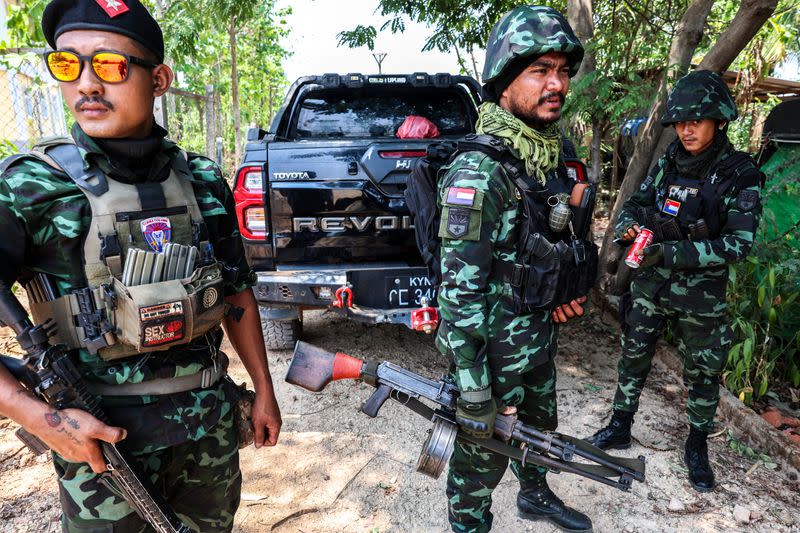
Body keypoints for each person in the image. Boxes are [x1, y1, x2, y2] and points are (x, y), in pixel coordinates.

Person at [0, 0, 282, 530]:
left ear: (159, 80)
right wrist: (40, 417)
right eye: (67, 64)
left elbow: (236, 293)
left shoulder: (200, 179)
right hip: (102, 444)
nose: (86, 84)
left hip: (208, 429)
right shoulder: (29, 187)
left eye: (109, 65)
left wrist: (263, 390)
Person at [436, 5, 593, 532]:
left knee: (540, 430)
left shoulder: (541, 156)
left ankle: (535, 495)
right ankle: (468, 523)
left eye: (563, 72)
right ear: (504, 80)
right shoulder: (479, 172)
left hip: (535, 339)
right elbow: (458, 293)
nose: (557, 84)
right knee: (481, 459)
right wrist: (474, 386)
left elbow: (541, 247)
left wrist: (563, 290)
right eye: (540, 70)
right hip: (494, 359)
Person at [586, 70, 762, 493]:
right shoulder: (667, 163)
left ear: (719, 121)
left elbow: (738, 245)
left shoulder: (740, 174)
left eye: (696, 121)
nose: (685, 129)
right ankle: (619, 425)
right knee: (634, 354)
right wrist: (628, 225)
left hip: (701, 297)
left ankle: (697, 445)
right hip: (651, 286)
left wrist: (673, 252)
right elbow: (637, 204)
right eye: (680, 121)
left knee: (703, 371)